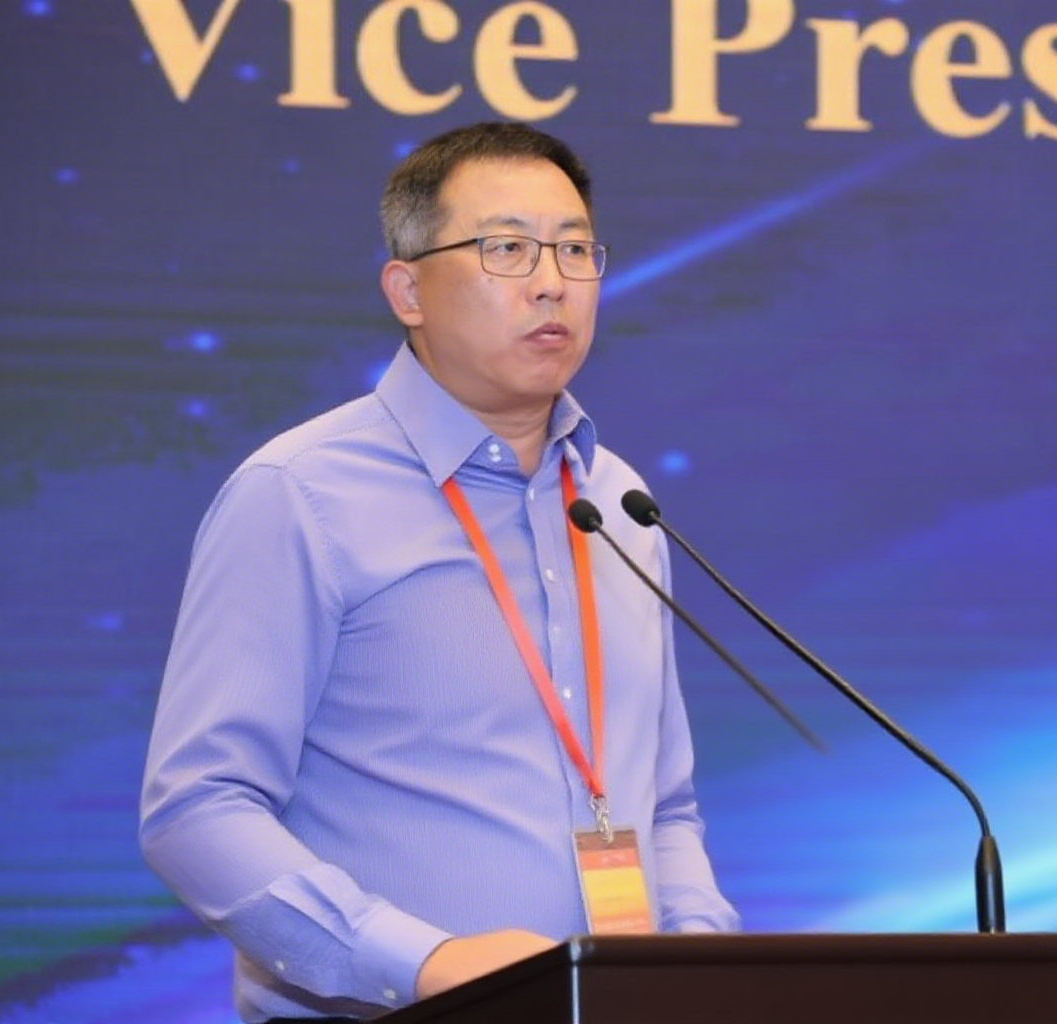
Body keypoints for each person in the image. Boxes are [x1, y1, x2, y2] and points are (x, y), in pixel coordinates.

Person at [139, 122, 738, 1023]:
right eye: (507, 249)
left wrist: (699, 955)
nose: (552, 281)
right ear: (407, 290)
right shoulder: (300, 495)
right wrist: (424, 963)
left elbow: (663, 803)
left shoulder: (619, 502)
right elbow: (197, 809)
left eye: (576, 250)